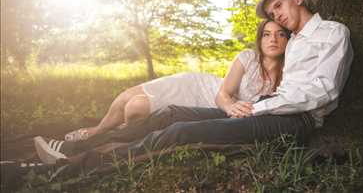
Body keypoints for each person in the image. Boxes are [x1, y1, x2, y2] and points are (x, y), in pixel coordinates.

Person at [34, 0, 353, 165]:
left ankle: (80, 165)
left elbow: (324, 91)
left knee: (182, 131)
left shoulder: (332, 33)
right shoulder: (292, 43)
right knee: (170, 114)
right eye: (272, 16)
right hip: (266, 109)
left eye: (280, 7)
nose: (278, 19)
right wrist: (244, 105)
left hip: (296, 121)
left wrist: (258, 106)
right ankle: (78, 146)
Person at [65, 19, 289, 141]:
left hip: (205, 106)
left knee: (135, 108)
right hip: (199, 86)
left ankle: (123, 131)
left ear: (289, 40)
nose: (273, 39)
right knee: (126, 97)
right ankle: (97, 131)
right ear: (259, 40)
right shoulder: (247, 57)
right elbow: (223, 94)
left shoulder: (288, 73)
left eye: (280, 34)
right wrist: (231, 106)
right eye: (267, 34)